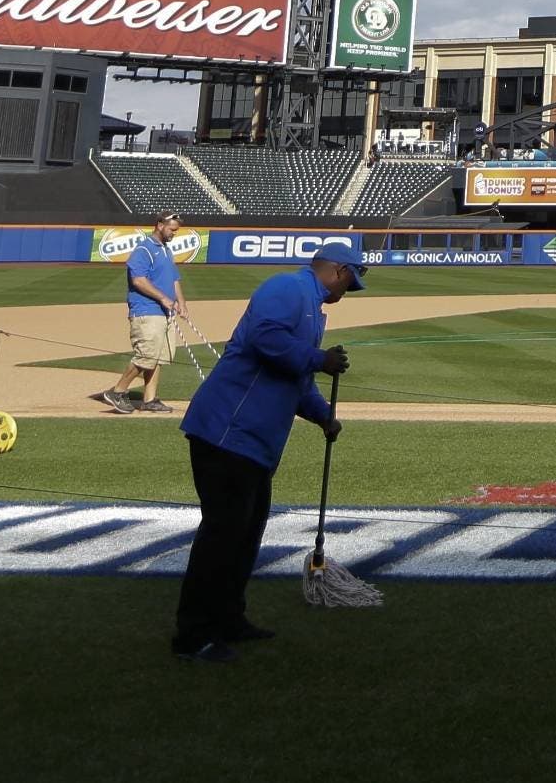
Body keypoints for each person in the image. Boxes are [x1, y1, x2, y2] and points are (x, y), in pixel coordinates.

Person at [171, 239, 362, 662]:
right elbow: (264, 339)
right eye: (351, 283)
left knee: (245, 535)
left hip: (252, 443)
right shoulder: (288, 289)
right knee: (221, 537)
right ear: (339, 272)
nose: (347, 292)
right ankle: (193, 635)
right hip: (226, 432)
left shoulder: (312, 308)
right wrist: (318, 358)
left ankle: (228, 619)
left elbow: (296, 383)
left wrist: (322, 417)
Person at [99, 213, 187, 414]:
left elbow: (174, 279)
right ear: (159, 225)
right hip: (146, 310)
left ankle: (150, 399)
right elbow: (138, 280)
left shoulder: (166, 251)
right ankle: (117, 391)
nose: (174, 233)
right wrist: (162, 298)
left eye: (176, 230)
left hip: (164, 313)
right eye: (172, 229)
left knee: (158, 357)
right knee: (147, 354)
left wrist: (181, 302)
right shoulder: (143, 249)